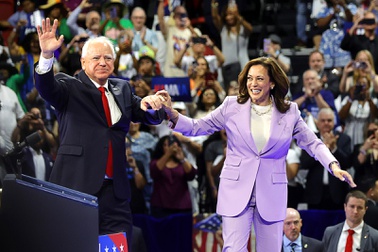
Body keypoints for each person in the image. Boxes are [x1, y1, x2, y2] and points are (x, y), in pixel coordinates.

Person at [156, 56, 356, 251]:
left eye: (259, 78)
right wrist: (172, 114)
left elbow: (313, 143)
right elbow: (197, 127)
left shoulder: (290, 111)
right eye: (250, 78)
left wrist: (333, 165)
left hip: (271, 192)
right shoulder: (231, 106)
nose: (253, 83)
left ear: (272, 83)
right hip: (236, 188)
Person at [34, 18, 168, 248]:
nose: (102, 62)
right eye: (96, 58)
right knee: (74, 245)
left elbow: (144, 112)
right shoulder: (69, 86)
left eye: (107, 58)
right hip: (76, 186)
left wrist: (155, 106)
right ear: (83, 62)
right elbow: (46, 88)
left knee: (116, 246)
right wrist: (46, 56)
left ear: (114, 63)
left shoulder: (122, 88)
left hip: (115, 193)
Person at [300, 108, 352, 210]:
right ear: (317, 123)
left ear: (334, 122)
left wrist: (334, 148)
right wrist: (323, 148)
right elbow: (304, 163)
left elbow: (347, 163)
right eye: (323, 121)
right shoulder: (310, 139)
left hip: (338, 194)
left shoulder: (344, 139)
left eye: (329, 120)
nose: (326, 123)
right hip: (315, 193)